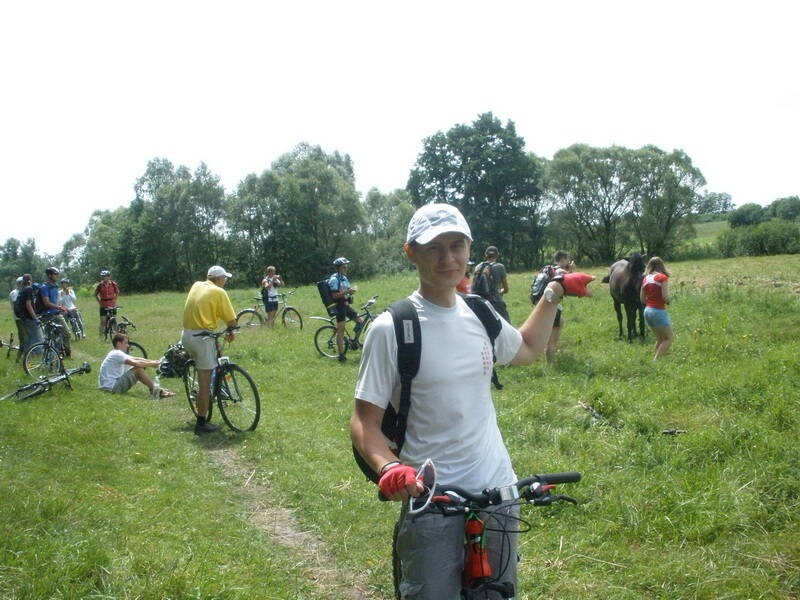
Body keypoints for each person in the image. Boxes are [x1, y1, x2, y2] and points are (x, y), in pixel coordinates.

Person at [350, 203, 592, 599]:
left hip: (499, 491)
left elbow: (527, 348)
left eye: (456, 245)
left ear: (469, 248)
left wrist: (555, 290)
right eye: (434, 248)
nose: (448, 258)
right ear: (411, 253)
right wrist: (389, 466)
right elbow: (364, 422)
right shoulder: (392, 328)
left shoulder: (480, 312)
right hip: (431, 499)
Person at [181, 265, 237, 434]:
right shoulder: (219, 292)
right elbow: (231, 321)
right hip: (202, 339)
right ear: (219, 279)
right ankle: (201, 424)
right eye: (225, 278)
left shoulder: (197, 285)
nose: (225, 281)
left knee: (210, 358)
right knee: (205, 383)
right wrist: (231, 331)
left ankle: (208, 395)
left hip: (187, 335)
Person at [99, 333, 175, 397]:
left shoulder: (116, 353)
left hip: (110, 387)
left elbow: (136, 359)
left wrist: (155, 362)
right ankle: (157, 391)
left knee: (137, 369)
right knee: (137, 370)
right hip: (111, 388)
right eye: (126, 343)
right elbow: (136, 363)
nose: (128, 345)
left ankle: (157, 389)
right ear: (119, 343)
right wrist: (153, 364)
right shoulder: (117, 353)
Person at [539, 251, 577, 363]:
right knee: (552, 338)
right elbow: (573, 285)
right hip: (553, 306)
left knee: (560, 322)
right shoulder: (561, 271)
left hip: (541, 304)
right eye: (567, 259)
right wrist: (572, 270)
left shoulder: (548, 269)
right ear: (562, 260)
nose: (568, 261)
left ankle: (547, 351)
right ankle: (551, 364)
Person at [328, 257, 364, 362]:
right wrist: (347, 291)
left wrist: (351, 291)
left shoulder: (344, 278)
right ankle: (341, 355)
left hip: (346, 305)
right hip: (339, 307)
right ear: (339, 268)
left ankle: (354, 341)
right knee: (341, 331)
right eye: (344, 267)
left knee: (360, 322)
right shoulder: (334, 280)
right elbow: (334, 295)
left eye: (346, 267)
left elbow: (347, 289)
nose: (346, 269)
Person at [640, 256, 673, 359]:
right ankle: (656, 360)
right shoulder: (662, 278)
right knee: (668, 339)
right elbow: (665, 297)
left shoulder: (645, 279)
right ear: (661, 265)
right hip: (658, 311)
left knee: (659, 339)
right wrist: (668, 301)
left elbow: (642, 299)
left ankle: (653, 358)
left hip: (647, 311)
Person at [38, 267, 72, 358]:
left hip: (56, 314)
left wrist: (60, 309)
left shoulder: (56, 286)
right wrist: (59, 307)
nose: (57, 276)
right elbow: (46, 303)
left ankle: (66, 354)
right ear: (50, 275)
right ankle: (54, 357)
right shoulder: (44, 287)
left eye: (58, 274)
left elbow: (56, 301)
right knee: (52, 338)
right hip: (48, 315)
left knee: (66, 334)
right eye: (55, 274)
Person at [478, 245, 510, 322]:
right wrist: (500, 291)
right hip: (496, 301)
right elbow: (506, 289)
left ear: (485, 255)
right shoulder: (500, 267)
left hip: (481, 303)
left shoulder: (478, 267)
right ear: (497, 255)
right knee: (506, 324)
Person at [16, 274, 43, 356]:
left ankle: (27, 356)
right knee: (38, 338)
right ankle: (38, 356)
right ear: (30, 281)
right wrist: (35, 318)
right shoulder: (29, 289)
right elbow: (28, 305)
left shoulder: (22, 290)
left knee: (28, 338)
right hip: (29, 318)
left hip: (24, 318)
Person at [94, 270, 120, 338]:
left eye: (104, 276)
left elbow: (117, 292)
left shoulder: (113, 284)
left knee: (114, 320)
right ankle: (101, 337)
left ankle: (117, 336)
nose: (103, 278)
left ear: (109, 277)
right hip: (103, 304)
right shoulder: (100, 285)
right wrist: (99, 302)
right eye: (102, 276)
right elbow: (95, 294)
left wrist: (115, 299)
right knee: (103, 321)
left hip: (112, 304)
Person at [9, 276, 25, 362]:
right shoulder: (14, 293)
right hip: (19, 318)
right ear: (19, 283)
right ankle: (18, 359)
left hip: (23, 318)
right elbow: (17, 306)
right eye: (22, 283)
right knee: (23, 338)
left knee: (26, 337)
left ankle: (25, 356)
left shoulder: (22, 292)